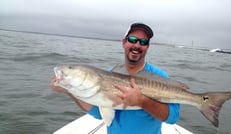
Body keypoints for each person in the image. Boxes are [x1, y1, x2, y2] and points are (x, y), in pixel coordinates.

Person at [50, 23, 180, 134]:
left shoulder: (160, 76)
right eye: (133, 39)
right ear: (124, 42)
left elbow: (173, 117)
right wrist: (69, 90)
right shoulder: (108, 74)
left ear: (147, 47)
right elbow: (98, 112)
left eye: (143, 42)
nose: (137, 45)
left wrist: (142, 101)